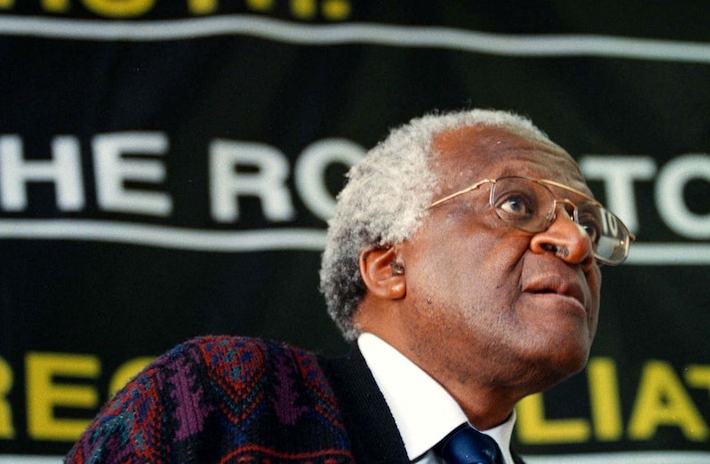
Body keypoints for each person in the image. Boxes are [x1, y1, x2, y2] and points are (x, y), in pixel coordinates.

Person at [65, 108, 633, 464]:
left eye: (587, 223)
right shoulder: (224, 402)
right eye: (515, 204)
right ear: (388, 267)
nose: (577, 245)